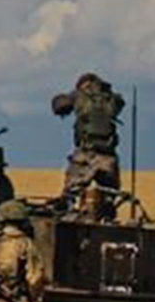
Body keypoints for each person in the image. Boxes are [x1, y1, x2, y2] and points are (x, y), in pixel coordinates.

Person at [50, 72, 125, 216]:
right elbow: (119, 103)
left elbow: (59, 106)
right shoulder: (111, 98)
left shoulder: (79, 95)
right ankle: (106, 217)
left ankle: (66, 217)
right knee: (109, 197)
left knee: (70, 194)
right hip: (108, 156)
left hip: (86, 153)